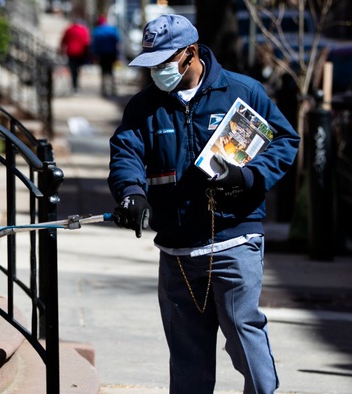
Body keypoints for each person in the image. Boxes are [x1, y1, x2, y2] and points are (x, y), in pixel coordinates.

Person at [107, 14, 300, 394]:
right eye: (151, 64)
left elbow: (283, 140)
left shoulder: (242, 91)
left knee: (243, 330)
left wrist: (247, 176)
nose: (157, 72)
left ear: (191, 53)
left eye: (165, 62)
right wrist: (131, 191)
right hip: (177, 248)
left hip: (234, 241)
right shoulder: (144, 106)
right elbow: (126, 151)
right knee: (187, 356)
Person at [90, 14, 120, 97]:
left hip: (102, 54)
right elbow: (117, 42)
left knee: (103, 71)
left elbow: (94, 44)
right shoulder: (112, 29)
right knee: (111, 71)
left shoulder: (97, 30)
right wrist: (117, 53)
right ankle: (113, 88)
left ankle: (103, 88)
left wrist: (94, 54)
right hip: (111, 53)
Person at [59, 18, 90, 94]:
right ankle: (76, 86)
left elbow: (63, 40)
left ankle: (74, 86)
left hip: (71, 52)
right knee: (77, 69)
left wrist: (61, 50)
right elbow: (86, 42)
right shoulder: (83, 30)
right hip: (80, 52)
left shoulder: (69, 30)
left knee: (73, 69)